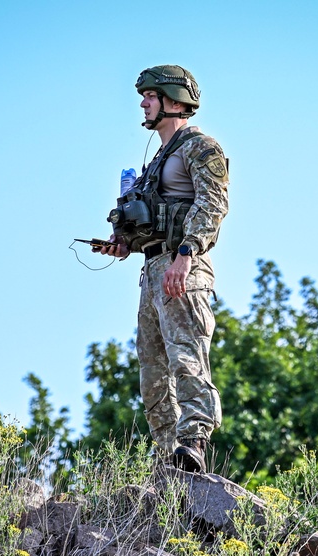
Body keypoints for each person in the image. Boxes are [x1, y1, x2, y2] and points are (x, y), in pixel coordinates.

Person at [97, 65, 229, 473]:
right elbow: (155, 218)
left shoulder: (200, 147)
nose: (143, 103)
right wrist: (124, 243)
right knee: (153, 370)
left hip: (183, 266)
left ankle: (194, 442)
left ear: (174, 100)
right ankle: (168, 459)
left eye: (150, 96)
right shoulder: (156, 161)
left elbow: (213, 205)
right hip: (153, 268)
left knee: (186, 355)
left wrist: (185, 256)